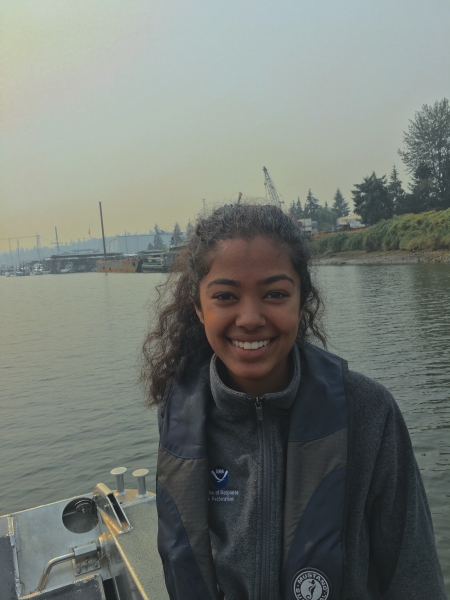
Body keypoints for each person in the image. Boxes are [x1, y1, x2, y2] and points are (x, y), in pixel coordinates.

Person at [141, 203, 447, 600]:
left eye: (274, 294)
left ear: (301, 301)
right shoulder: (179, 414)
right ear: (199, 307)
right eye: (225, 296)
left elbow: (414, 573)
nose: (250, 318)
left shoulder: (369, 411)